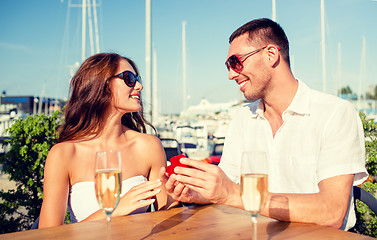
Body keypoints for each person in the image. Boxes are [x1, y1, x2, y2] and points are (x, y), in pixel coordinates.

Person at [162, 18, 368, 230]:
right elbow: (226, 188)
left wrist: (234, 194)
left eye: (235, 62)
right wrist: (197, 193)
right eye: (228, 66)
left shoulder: (335, 113)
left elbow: (331, 212)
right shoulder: (242, 119)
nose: (231, 74)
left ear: (271, 54)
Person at [39, 53, 176, 228]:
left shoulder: (148, 146)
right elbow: (47, 234)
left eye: (137, 79)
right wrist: (114, 210)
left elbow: (166, 216)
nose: (140, 86)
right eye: (129, 78)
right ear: (101, 85)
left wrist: (176, 195)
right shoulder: (64, 154)